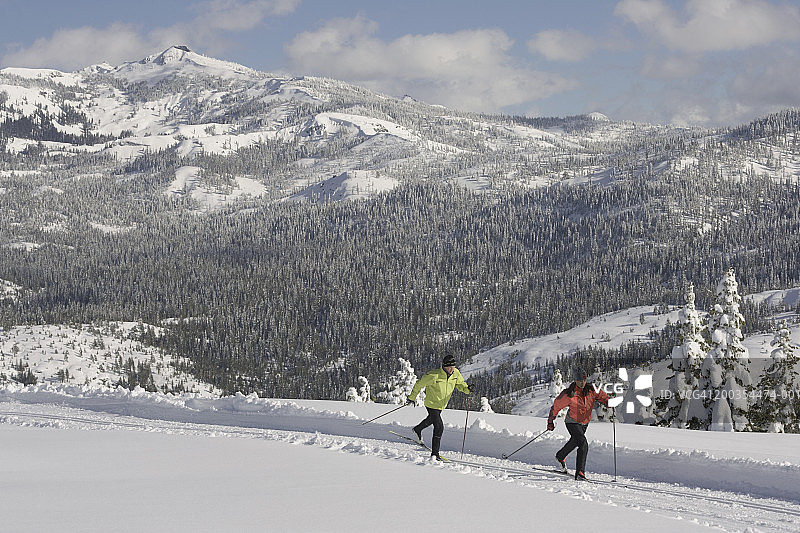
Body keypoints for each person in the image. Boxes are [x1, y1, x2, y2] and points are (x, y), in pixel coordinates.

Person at [546, 367, 609, 480]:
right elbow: (556, 406)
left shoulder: (591, 390)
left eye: (584, 380)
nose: (582, 382)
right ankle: (580, 473)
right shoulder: (569, 393)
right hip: (572, 422)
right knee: (583, 443)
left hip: (584, 423)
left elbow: (602, 397)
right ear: (575, 380)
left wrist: (608, 402)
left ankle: (560, 456)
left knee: (575, 441)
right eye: (580, 380)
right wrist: (551, 421)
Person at [407, 355, 472, 461]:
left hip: (441, 405)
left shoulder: (455, 373)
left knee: (431, 419)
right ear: (444, 366)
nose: (452, 369)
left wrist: (467, 389)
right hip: (432, 404)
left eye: (453, 366)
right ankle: (435, 454)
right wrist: (412, 397)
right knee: (439, 427)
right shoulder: (434, 375)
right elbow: (419, 384)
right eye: (450, 367)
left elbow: (460, 385)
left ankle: (417, 429)